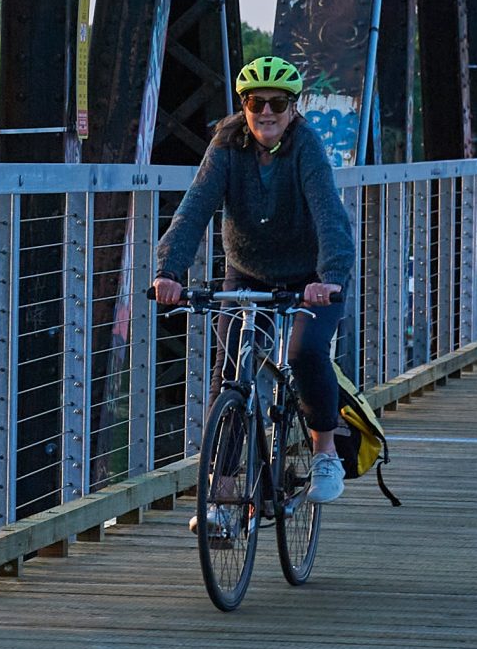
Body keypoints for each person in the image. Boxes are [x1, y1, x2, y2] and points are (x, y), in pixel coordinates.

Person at [152, 54, 357, 504]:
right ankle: (220, 500)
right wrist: (168, 270)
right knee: (231, 373)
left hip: (311, 279)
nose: (266, 112)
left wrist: (330, 277)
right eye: (255, 101)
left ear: (293, 108)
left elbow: (329, 214)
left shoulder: (307, 146)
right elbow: (194, 208)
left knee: (304, 352)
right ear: (243, 106)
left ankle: (325, 453)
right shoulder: (226, 147)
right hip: (247, 272)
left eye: (278, 103)